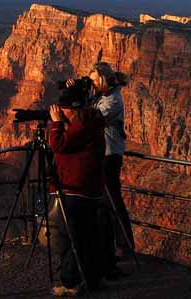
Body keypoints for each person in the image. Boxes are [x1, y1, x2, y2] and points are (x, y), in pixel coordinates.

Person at [68, 62, 135, 279]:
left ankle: (125, 247)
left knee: (113, 202)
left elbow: (92, 122)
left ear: (103, 80)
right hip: (100, 155)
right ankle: (110, 247)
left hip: (109, 156)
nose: (92, 85)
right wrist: (78, 92)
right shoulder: (102, 96)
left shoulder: (113, 100)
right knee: (104, 204)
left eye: (94, 81)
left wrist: (80, 103)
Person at [48, 86, 106, 296]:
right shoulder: (90, 120)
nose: (62, 114)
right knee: (88, 237)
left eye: (64, 111)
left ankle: (70, 284)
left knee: (69, 239)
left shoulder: (81, 123)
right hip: (88, 190)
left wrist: (55, 124)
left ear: (72, 110)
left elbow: (58, 144)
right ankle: (92, 279)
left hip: (75, 189)